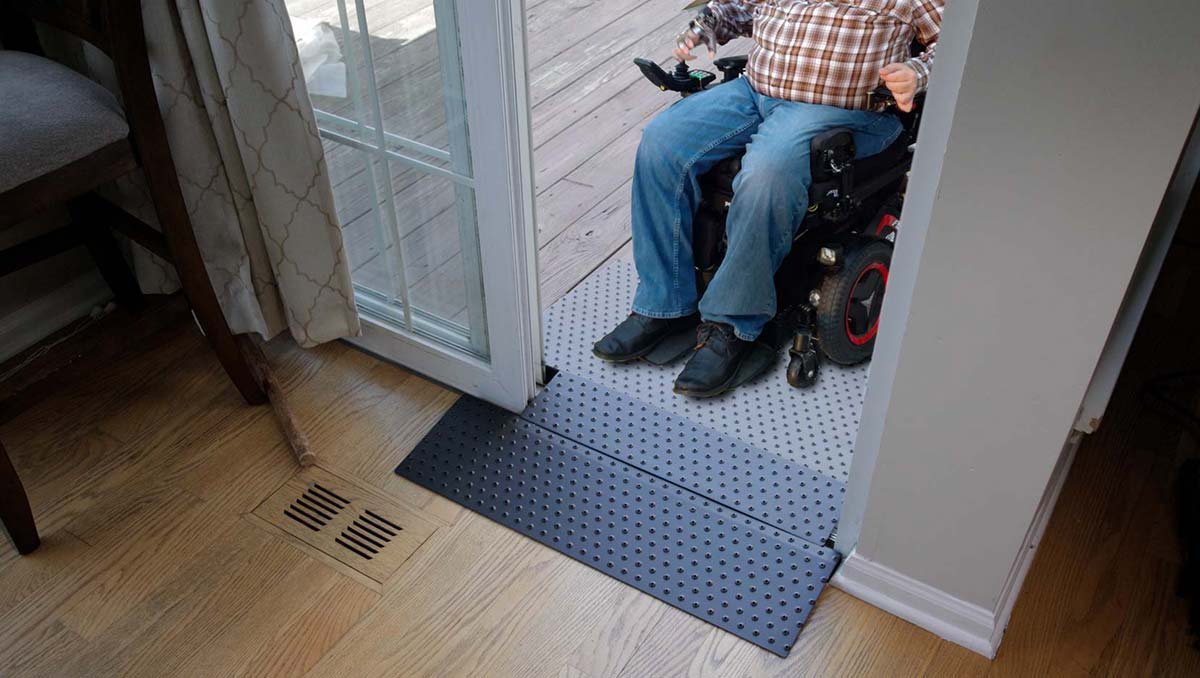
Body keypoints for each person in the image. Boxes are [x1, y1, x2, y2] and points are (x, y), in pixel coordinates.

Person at [593, 0, 944, 398]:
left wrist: (916, 73)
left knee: (765, 174)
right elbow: (740, 8)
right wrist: (707, 25)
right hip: (755, 92)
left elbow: (952, 40)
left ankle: (732, 326)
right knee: (661, 143)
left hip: (842, 110)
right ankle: (663, 303)